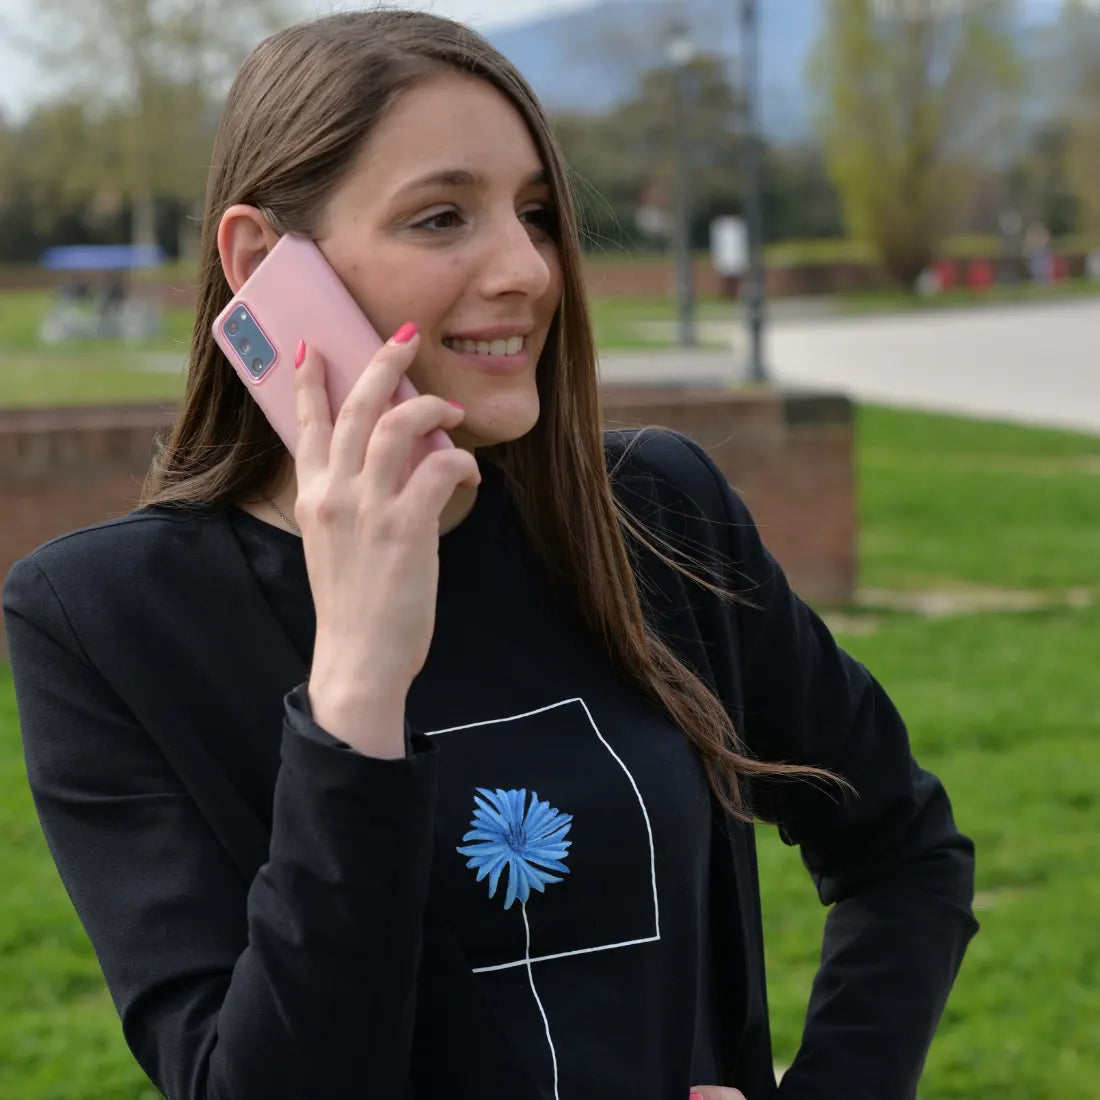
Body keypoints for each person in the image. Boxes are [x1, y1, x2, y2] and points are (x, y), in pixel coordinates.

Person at [1, 11, 977, 1100]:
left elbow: (904, 851)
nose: (526, 268)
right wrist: (358, 690)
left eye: (537, 213)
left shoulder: (656, 509)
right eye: (439, 217)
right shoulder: (104, 619)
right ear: (263, 263)